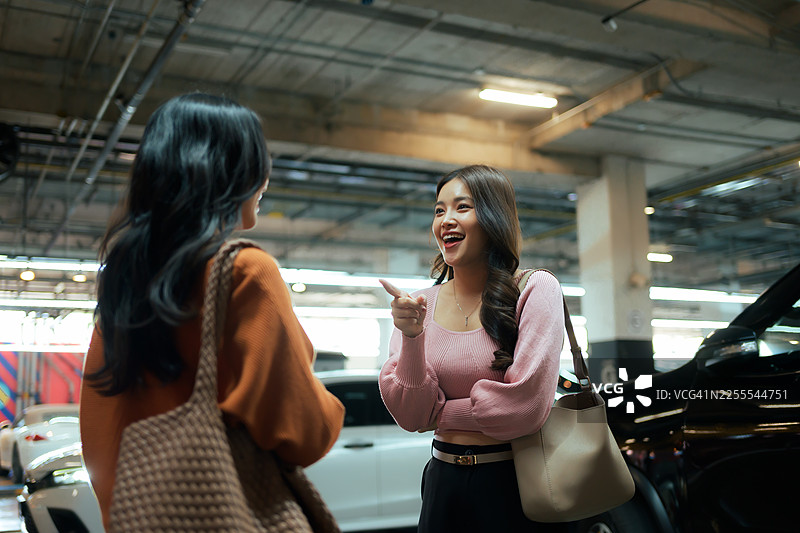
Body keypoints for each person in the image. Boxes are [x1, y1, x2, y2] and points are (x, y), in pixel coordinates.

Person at [79, 93, 344, 530]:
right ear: (236, 172)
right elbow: (304, 432)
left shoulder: (123, 283)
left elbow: (101, 429)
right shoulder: (245, 271)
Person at [378, 164, 569, 532]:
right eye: (439, 210)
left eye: (462, 207)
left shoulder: (534, 289)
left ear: (494, 217)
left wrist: (442, 414)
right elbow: (411, 415)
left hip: (513, 483)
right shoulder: (418, 304)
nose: (446, 220)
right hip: (441, 482)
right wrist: (413, 337)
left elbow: (526, 407)